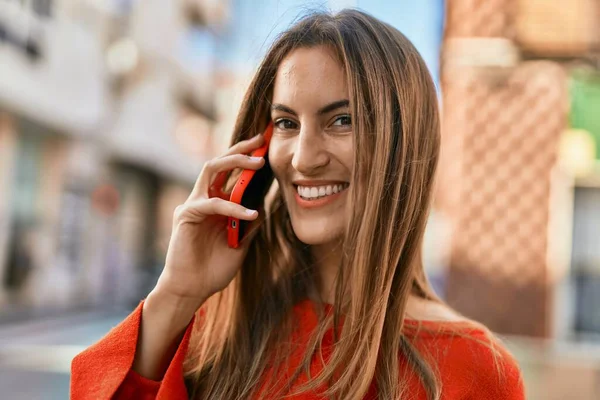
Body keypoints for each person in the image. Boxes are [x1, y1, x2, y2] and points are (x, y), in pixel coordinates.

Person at [71, 9, 524, 400]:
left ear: (403, 145)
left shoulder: (475, 369)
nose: (304, 157)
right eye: (286, 123)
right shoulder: (218, 329)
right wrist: (176, 294)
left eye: (341, 120)